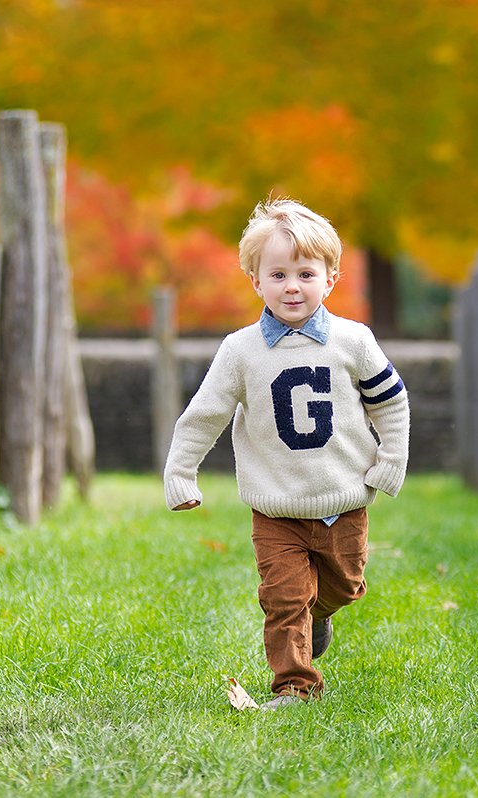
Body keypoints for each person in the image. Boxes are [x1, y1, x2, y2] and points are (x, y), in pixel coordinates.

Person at [163, 198, 410, 709]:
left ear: (331, 277)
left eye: (305, 273)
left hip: (344, 499)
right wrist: (181, 472)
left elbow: (391, 402)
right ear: (255, 281)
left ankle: (318, 615)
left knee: (344, 587)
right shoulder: (240, 351)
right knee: (282, 599)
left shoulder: (353, 341)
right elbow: (204, 414)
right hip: (275, 507)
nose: (291, 286)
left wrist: (391, 460)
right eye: (277, 274)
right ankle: (295, 686)